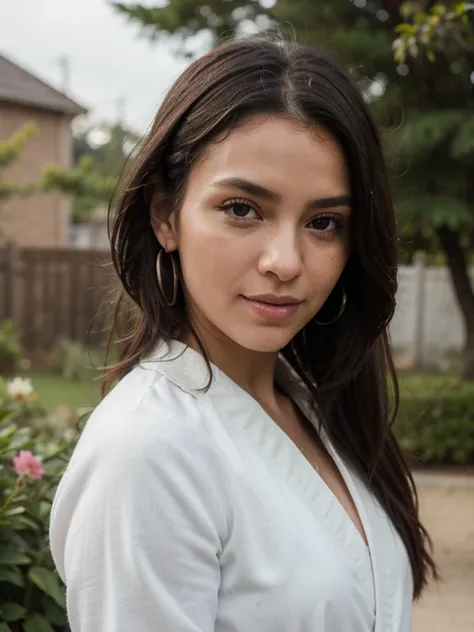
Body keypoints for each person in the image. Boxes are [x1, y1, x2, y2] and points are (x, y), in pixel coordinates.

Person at [49, 37, 437, 632]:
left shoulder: (314, 408)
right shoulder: (149, 453)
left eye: (324, 222)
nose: (285, 261)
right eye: (241, 209)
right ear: (164, 214)